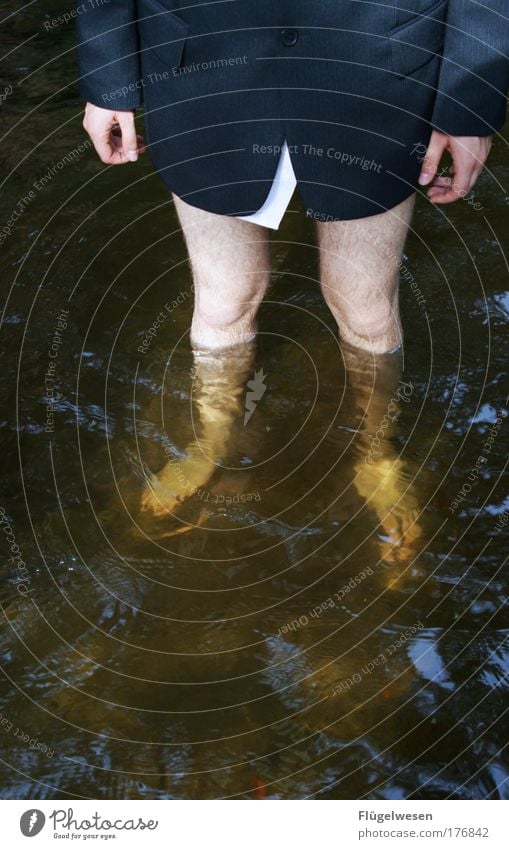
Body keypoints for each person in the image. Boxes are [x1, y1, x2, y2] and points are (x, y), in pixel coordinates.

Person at [75, 2, 508, 545]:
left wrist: (468, 102)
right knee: (224, 298)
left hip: (375, 62)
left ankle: (378, 452)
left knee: (366, 309)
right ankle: (210, 442)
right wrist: (109, 79)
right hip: (203, 57)